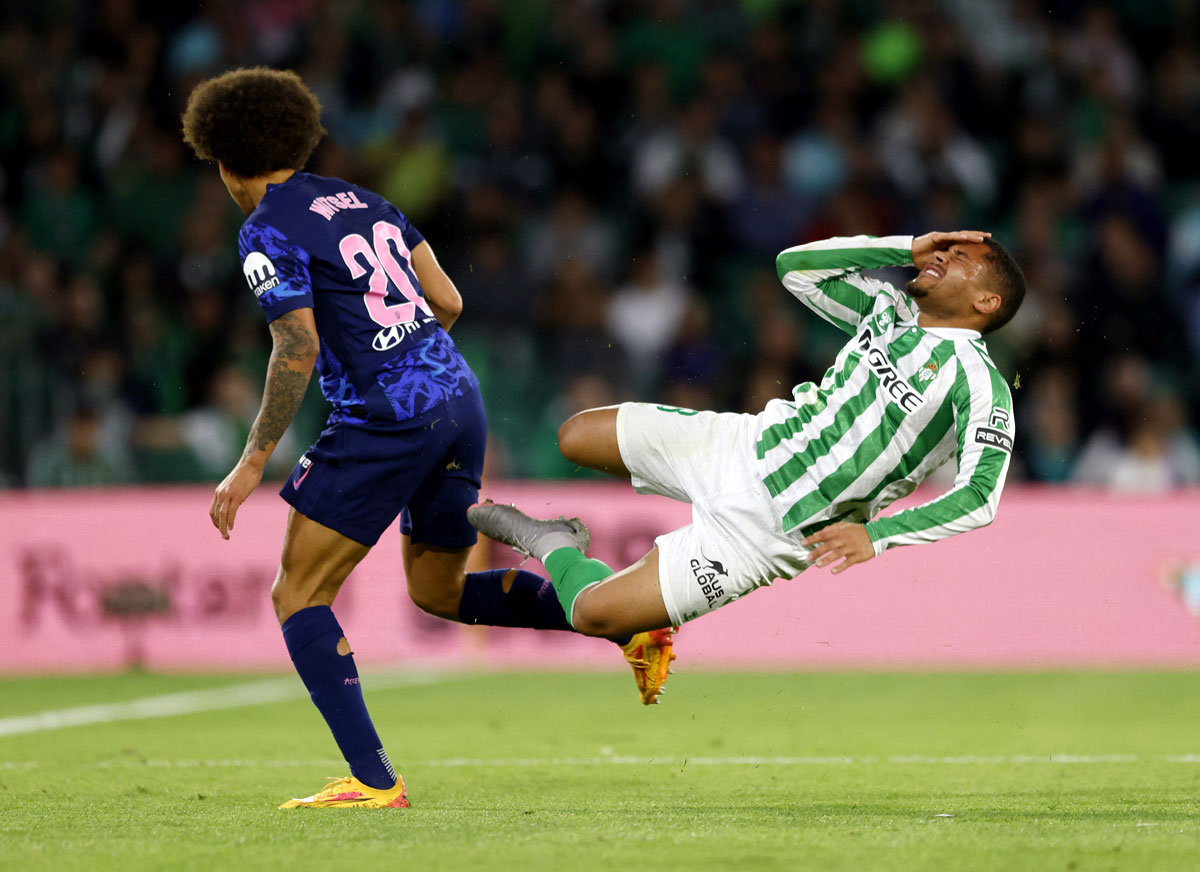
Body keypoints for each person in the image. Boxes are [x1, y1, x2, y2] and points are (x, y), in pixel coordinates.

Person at [180, 68, 673, 811]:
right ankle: (629, 626)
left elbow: (296, 347)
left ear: (221, 160)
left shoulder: (265, 227)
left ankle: (375, 782)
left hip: (385, 416)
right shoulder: (367, 201)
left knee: (298, 593)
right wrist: (412, 364)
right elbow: (447, 299)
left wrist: (251, 462)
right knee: (436, 590)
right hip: (456, 396)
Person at [470, 230, 1024, 644]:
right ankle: (589, 556)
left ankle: (552, 544)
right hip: (739, 444)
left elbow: (980, 498)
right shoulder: (887, 311)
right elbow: (795, 269)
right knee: (575, 436)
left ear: (986, 303)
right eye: (945, 250)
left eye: (962, 261)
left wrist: (879, 537)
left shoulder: (979, 382)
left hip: (766, 535)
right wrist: (904, 247)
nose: (944, 256)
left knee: (592, 614)